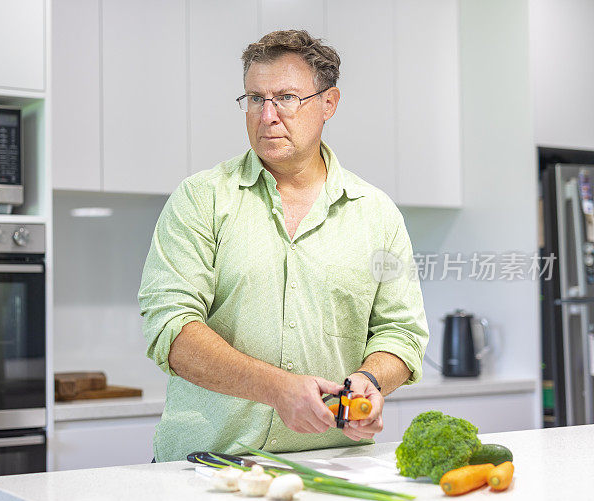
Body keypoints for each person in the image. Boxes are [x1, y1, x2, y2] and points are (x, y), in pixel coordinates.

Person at [138, 30, 429, 462]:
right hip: (209, 466)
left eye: (287, 97)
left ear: (328, 104)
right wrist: (278, 389)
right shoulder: (201, 198)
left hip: (332, 466)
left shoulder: (378, 214)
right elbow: (171, 329)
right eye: (255, 99)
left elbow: (401, 333)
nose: (267, 115)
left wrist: (369, 379)